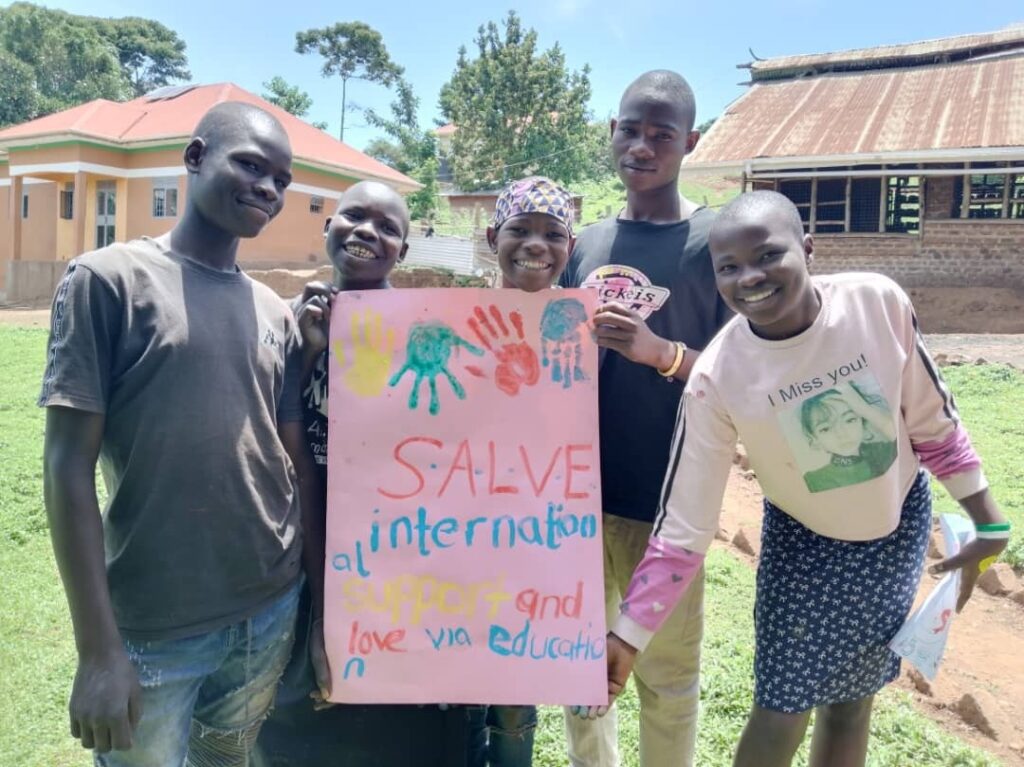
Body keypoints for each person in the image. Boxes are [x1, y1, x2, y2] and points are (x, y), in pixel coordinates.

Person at [588, 191, 1010, 767]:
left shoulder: (876, 303)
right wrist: (628, 636)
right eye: (729, 268)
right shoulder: (719, 375)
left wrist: (988, 517)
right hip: (804, 546)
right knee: (781, 707)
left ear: (808, 248)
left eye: (767, 255)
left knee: (853, 702)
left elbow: (933, 423)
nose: (749, 277)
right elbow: (683, 527)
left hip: (895, 531)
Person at [39, 101, 321, 766]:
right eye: (251, 165)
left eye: (282, 179)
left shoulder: (273, 312)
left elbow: (283, 449)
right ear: (195, 158)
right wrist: (99, 650)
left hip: (267, 607)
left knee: (228, 756)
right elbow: (65, 466)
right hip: (155, 627)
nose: (269, 189)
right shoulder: (107, 281)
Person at [253, 180, 476, 767]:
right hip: (304, 535)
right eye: (353, 216)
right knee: (306, 703)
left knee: (397, 713)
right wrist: (308, 348)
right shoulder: (285, 323)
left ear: (401, 252)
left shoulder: (426, 330)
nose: (366, 232)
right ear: (328, 225)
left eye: (387, 227)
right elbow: (277, 424)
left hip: (401, 545)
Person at [559, 70, 731, 767]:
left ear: (690, 142)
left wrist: (665, 355)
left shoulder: (714, 242)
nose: (642, 144)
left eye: (662, 133)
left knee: (666, 680)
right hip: (571, 501)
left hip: (667, 507)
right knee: (576, 676)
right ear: (611, 132)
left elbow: (743, 376)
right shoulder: (585, 243)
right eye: (631, 128)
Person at [462, 175, 578, 767]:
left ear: (570, 247)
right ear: (492, 237)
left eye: (552, 234)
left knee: (515, 691)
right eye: (520, 230)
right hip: (449, 532)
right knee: (454, 679)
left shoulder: (582, 331)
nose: (536, 244)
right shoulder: (450, 320)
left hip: (538, 537)